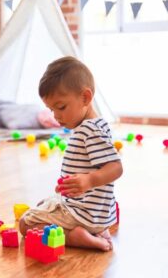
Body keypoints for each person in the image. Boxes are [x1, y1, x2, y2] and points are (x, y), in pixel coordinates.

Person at [19, 56, 123, 251]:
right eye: (51, 110)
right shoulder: (98, 125)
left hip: (84, 216)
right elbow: (87, 168)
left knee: (26, 224)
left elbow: (116, 167)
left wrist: (89, 181)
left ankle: (75, 237)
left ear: (85, 97)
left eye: (61, 107)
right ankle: (96, 230)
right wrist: (72, 186)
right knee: (45, 202)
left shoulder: (89, 130)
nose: (56, 116)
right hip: (100, 215)